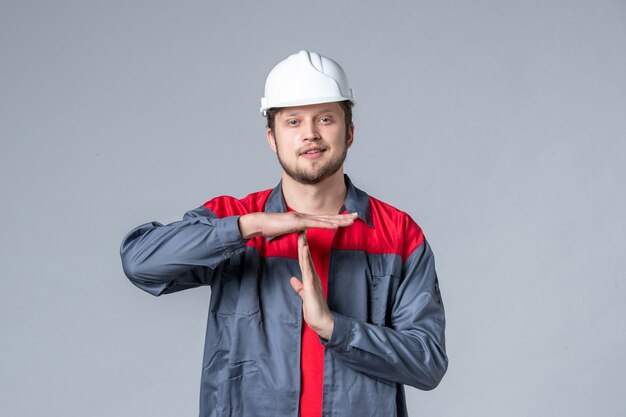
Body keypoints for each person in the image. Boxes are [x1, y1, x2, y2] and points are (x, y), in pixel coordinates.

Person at [120, 50, 448, 417]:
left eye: (325, 119)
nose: (310, 134)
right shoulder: (234, 218)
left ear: (349, 132)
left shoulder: (398, 234)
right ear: (272, 138)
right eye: (293, 122)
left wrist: (334, 327)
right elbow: (140, 262)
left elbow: (427, 362)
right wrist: (250, 227)